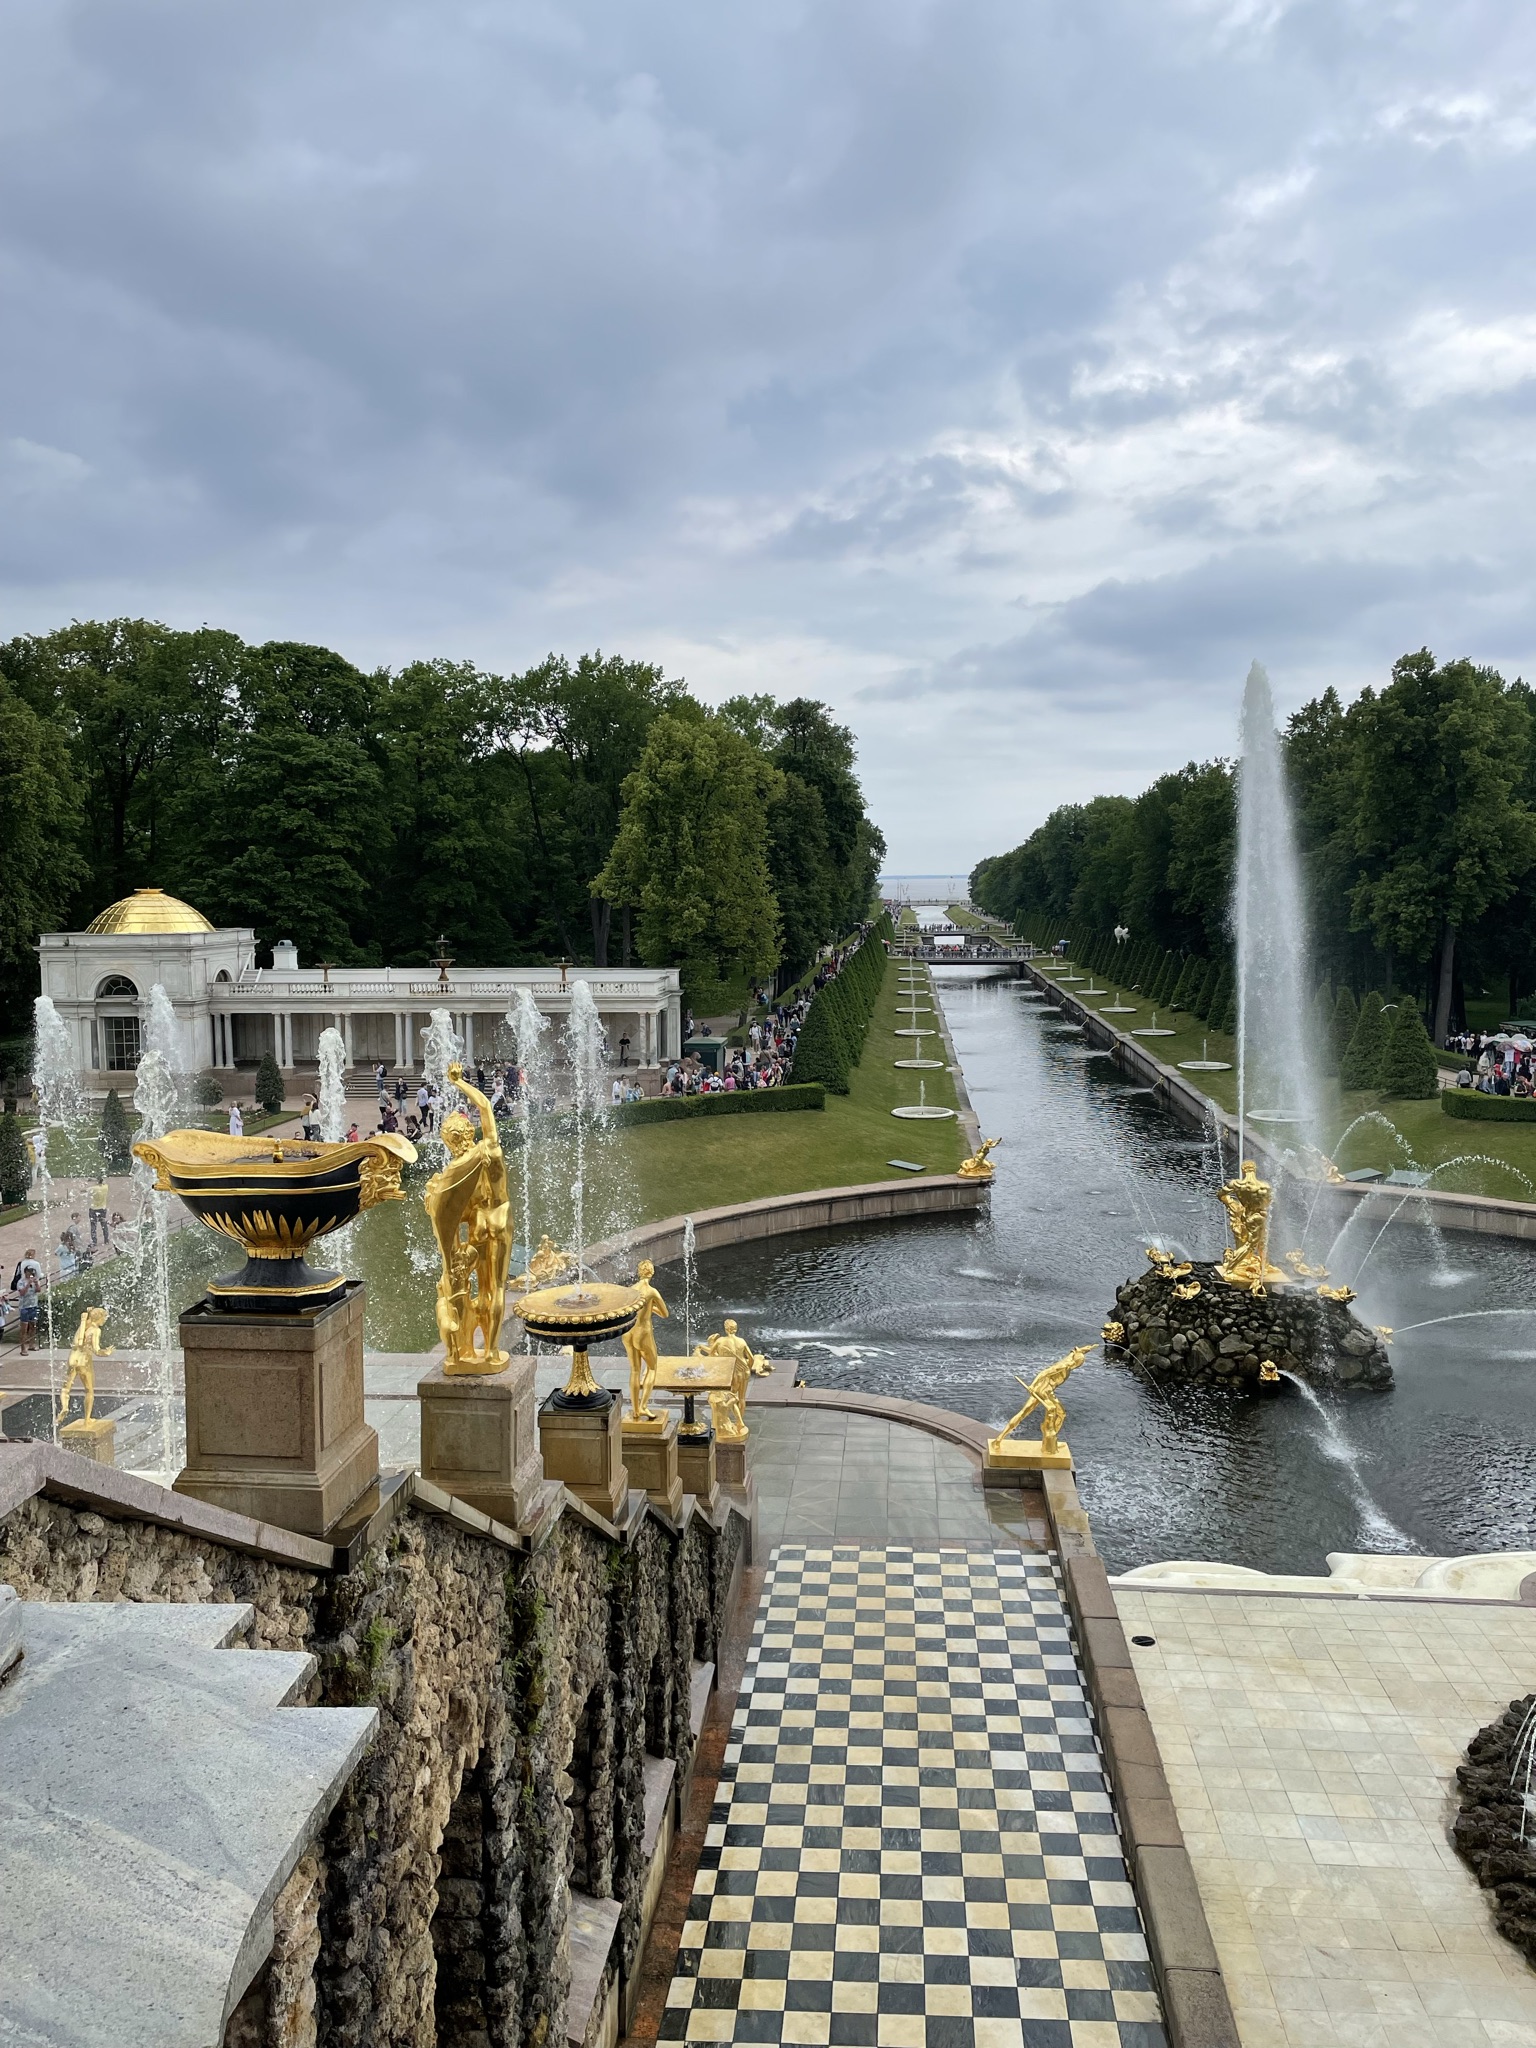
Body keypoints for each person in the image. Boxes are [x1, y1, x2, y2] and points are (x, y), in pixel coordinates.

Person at [13, 1253, 41, 1356]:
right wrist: (28, 1284)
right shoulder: (21, 1282)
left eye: (32, 1272)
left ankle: (32, 1344)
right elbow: (22, 1293)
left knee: (33, 1326)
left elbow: (38, 1290)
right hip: (24, 1307)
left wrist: (36, 1283)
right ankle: (23, 1348)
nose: (31, 1274)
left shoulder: (34, 1280)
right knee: (24, 1329)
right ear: (25, 1272)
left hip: (33, 1305)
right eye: (29, 1272)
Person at [88, 1176, 110, 1250]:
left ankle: (94, 1241)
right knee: (104, 1224)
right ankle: (106, 1239)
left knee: (93, 1226)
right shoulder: (105, 1187)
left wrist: (91, 1181)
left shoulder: (93, 1188)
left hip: (94, 1209)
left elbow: (83, 1191)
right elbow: (104, 1182)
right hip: (102, 1209)